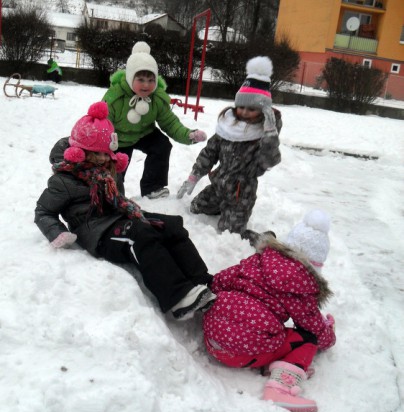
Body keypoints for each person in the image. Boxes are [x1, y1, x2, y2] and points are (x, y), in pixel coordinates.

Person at [35, 101, 215, 321]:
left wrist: (130, 210)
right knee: (140, 235)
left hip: (117, 217)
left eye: (107, 153)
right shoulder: (64, 180)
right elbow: (43, 211)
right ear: (80, 152)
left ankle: (203, 281)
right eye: (98, 154)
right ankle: (178, 298)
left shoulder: (108, 167)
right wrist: (58, 233)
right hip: (95, 232)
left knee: (171, 225)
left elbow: (117, 198)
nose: (105, 158)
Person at [202, 210, 336, 412]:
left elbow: (219, 281)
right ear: (315, 266)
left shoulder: (258, 260)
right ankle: (280, 388)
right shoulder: (302, 285)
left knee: (265, 328)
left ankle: (270, 360)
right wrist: (329, 336)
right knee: (308, 340)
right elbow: (314, 328)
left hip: (212, 336)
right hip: (240, 353)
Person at [177, 56, 282, 241]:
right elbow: (210, 152)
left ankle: (262, 240)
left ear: (263, 110)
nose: (244, 112)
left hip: (241, 194)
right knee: (196, 207)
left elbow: (269, 161)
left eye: (251, 109)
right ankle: (223, 210)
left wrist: (270, 134)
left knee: (230, 234)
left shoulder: (263, 133)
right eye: (241, 106)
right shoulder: (228, 125)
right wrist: (194, 176)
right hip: (219, 186)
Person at [102, 41, 207, 199]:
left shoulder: (156, 98)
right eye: (141, 79)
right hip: (118, 138)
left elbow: (169, 122)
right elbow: (103, 121)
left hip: (144, 133)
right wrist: (104, 143)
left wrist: (188, 135)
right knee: (115, 166)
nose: (146, 85)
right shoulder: (116, 97)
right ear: (130, 77)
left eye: (151, 80)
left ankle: (152, 187)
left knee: (161, 145)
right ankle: (113, 190)